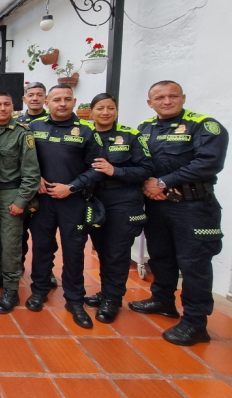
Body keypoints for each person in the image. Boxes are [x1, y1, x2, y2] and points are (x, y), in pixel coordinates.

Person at [133, 81, 228, 346]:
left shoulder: (204, 125)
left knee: (194, 264)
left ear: (183, 97)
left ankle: (196, 323)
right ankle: (163, 300)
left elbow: (208, 163)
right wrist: (147, 183)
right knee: (161, 255)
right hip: (157, 204)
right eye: (159, 97)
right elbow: (139, 160)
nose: (167, 101)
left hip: (193, 207)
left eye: (172, 96)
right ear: (150, 102)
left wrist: (162, 182)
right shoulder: (145, 128)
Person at [27, 84, 101, 329]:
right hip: (43, 200)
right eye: (56, 99)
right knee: (41, 247)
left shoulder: (87, 131)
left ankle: (75, 299)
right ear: (47, 102)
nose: (62, 103)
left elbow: (97, 168)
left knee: (73, 251)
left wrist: (71, 187)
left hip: (73, 200)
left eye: (67, 99)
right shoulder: (34, 127)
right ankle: (38, 290)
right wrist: (34, 176)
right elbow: (23, 159)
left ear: (74, 101)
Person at [81, 93, 153, 324]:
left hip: (122, 199)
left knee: (117, 251)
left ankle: (113, 299)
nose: (105, 112)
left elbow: (146, 169)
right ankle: (106, 291)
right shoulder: (85, 135)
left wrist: (116, 171)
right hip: (94, 198)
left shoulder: (131, 135)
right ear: (91, 112)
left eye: (110, 108)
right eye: (100, 108)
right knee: (101, 248)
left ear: (116, 111)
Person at [0, 92, 40, 314]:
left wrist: (21, 201)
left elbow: (32, 173)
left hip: (11, 195)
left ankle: (11, 289)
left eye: (7, 104)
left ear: (13, 107)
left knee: (11, 244)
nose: (3, 108)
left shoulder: (23, 135)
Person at [16, 82, 57, 286]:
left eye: (39, 95)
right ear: (24, 99)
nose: (35, 98)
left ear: (45, 99)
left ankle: (46, 270)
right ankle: (18, 265)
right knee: (19, 231)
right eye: (30, 95)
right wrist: (34, 177)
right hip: (23, 186)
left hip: (47, 188)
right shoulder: (17, 122)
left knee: (45, 234)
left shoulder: (53, 122)